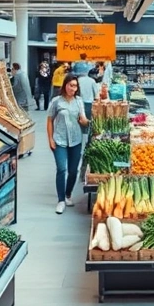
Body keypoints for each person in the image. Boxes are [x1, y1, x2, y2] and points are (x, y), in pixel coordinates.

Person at [47, 74, 89, 214]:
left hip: (76, 140)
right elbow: (49, 121)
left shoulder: (79, 101)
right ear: (65, 85)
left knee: (73, 171)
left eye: (75, 86)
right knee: (61, 169)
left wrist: (86, 121)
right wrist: (50, 139)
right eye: (71, 85)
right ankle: (60, 200)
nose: (73, 88)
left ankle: (68, 194)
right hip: (59, 140)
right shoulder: (56, 101)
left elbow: (83, 119)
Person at [77, 65, 99, 137]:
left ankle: (80, 134)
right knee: (88, 121)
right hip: (89, 103)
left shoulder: (78, 80)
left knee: (80, 119)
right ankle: (87, 135)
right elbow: (96, 94)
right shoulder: (92, 81)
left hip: (79, 103)